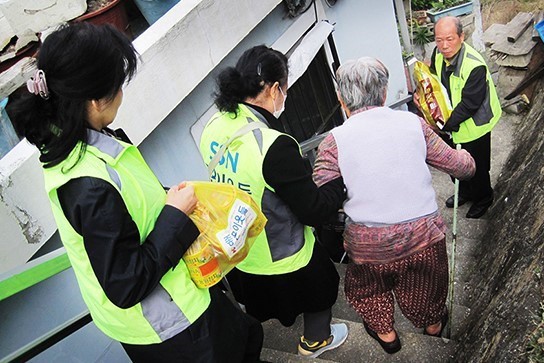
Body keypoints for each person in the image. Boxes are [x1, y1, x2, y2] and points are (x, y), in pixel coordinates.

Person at [8, 23, 263, 362]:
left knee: (246, 335)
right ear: (96, 100)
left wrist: (168, 202)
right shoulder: (88, 184)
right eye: (118, 85)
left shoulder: (73, 140)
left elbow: (124, 216)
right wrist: (174, 214)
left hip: (173, 299)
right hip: (170, 325)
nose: (122, 94)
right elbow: (126, 284)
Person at [313, 57, 475, 353]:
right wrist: (468, 159)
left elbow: (321, 195)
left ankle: (387, 336)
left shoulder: (332, 143)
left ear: (341, 99)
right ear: (385, 93)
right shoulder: (414, 125)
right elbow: (461, 167)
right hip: (423, 236)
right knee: (428, 286)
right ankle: (433, 327)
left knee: (368, 290)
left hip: (368, 244)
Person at [199, 45, 348, 359]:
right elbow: (314, 210)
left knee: (258, 306)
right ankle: (314, 342)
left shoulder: (212, 127)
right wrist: (339, 184)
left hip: (239, 254)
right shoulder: (274, 146)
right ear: (274, 88)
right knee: (322, 288)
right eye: (286, 87)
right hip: (284, 256)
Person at [428, 16, 502, 218]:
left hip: (474, 126)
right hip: (449, 123)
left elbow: (470, 104)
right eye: (439, 39)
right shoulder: (437, 54)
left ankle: (483, 198)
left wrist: (444, 124)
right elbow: (434, 81)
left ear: (461, 37)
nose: (444, 45)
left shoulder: (474, 65)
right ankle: (465, 193)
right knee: (454, 164)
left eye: (450, 39)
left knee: (477, 168)